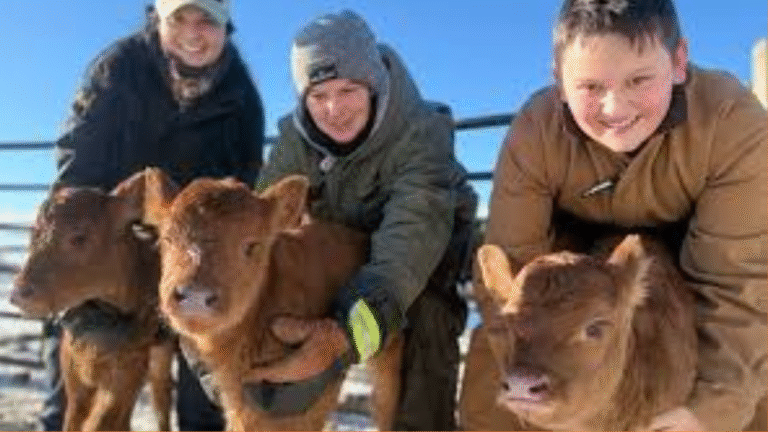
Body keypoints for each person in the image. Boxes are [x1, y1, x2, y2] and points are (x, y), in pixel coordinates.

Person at [476, 0, 766, 430]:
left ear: (679, 62)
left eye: (639, 80)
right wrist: (531, 389)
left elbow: (737, 281)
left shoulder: (731, 122)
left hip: (695, 254)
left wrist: (714, 407)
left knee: (753, 392)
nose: (614, 108)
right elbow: (511, 275)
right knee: (485, 387)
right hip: (570, 271)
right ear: (559, 80)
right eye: (590, 86)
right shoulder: (535, 131)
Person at [43, 0, 264, 430]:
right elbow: (78, 169)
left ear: (226, 27)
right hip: (114, 244)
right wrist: (88, 264)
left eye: (207, 20)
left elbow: (242, 193)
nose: (193, 33)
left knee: (206, 391)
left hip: (196, 254)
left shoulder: (242, 99)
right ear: (157, 19)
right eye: (179, 18)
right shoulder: (116, 69)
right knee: (77, 383)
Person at [252, 10, 477, 430]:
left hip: (424, 251)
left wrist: (343, 339)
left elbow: (405, 252)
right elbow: (260, 226)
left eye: (348, 90)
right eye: (318, 96)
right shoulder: (295, 141)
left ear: (373, 86)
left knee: (424, 327)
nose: (334, 109)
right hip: (343, 245)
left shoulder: (420, 133)